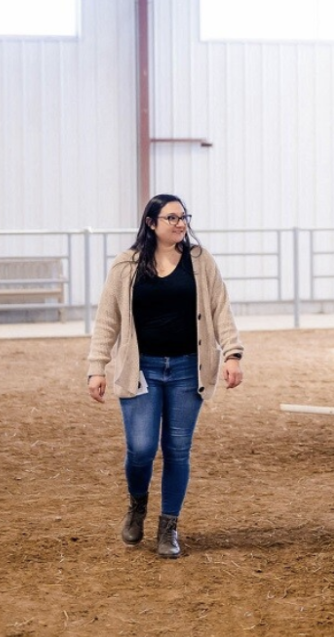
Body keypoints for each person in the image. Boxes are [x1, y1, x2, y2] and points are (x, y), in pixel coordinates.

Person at [86, 194, 244, 559]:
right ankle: (137, 504)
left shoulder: (200, 261)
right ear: (151, 223)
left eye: (183, 216)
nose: (180, 223)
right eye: (171, 217)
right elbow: (107, 319)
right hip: (141, 369)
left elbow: (220, 308)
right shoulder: (126, 265)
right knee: (141, 448)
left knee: (177, 449)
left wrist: (232, 353)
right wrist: (97, 367)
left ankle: (168, 526)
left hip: (188, 369)